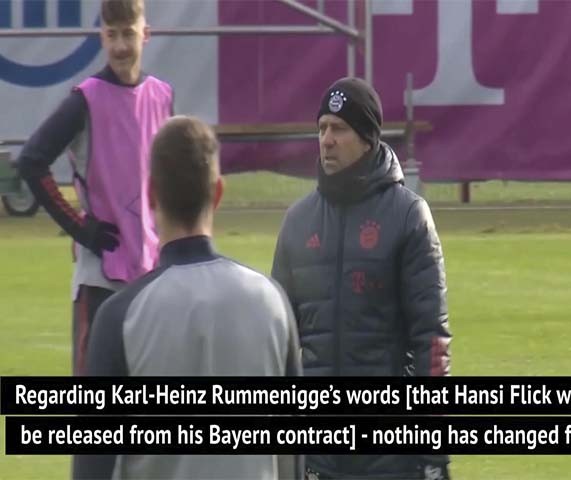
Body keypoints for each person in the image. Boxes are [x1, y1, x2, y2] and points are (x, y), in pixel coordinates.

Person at [73, 116, 303, 479]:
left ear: (150, 194)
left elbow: (93, 470)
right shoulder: (272, 302)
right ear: (218, 192)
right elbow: (292, 462)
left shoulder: (120, 317)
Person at [272, 77, 452, 480]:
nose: (326, 140)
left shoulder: (408, 217)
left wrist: (434, 452)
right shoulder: (298, 221)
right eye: (322, 128)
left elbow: (432, 343)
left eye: (339, 129)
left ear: (368, 138)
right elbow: (277, 338)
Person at [17, 0, 173, 375]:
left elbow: (167, 178)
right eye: (111, 34)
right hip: (100, 274)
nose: (120, 46)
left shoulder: (162, 96)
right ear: (101, 36)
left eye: (128, 34)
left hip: (152, 271)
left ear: (146, 34)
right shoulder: (85, 99)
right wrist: (80, 229)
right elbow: (32, 160)